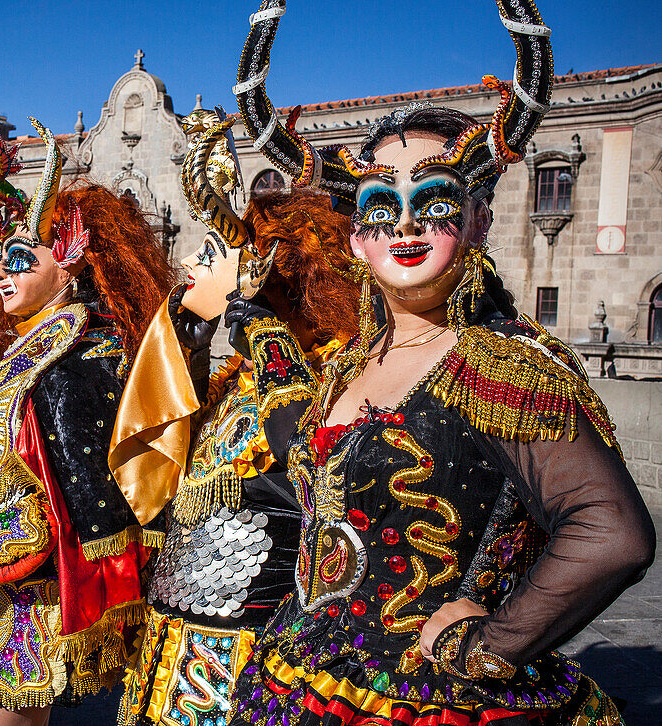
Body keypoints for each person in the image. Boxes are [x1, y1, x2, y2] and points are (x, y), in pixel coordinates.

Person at [223, 2, 655, 725]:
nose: (404, 224)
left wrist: (491, 643)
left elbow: (611, 531)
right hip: (294, 682)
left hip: (426, 700)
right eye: (377, 204)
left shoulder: (499, 364)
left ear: (478, 221)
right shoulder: (347, 366)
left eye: (433, 201)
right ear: (355, 238)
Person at [0, 119, 175, 726]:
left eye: (16, 259)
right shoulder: (34, 347)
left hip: (28, 594)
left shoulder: (82, 356)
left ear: (70, 261)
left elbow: (65, 490)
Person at [110, 109, 360, 726]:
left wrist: (259, 324)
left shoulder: (316, 381)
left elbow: (303, 448)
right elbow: (165, 426)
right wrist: (192, 330)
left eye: (213, 252)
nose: (193, 265)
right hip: (173, 637)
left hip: (246, 655)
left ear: (261, 268)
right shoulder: (233, 382)